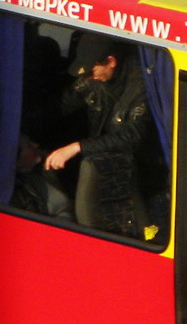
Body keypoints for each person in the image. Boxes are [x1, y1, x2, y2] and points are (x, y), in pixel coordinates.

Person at [44, 33, 153, 235]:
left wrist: (78, 147)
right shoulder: (94, 80)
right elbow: (63, 103)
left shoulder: (142, 87)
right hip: (106, 164)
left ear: (111, 61)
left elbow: (133, 135)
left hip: (140, 174)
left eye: (93, 69)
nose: (89, 76)